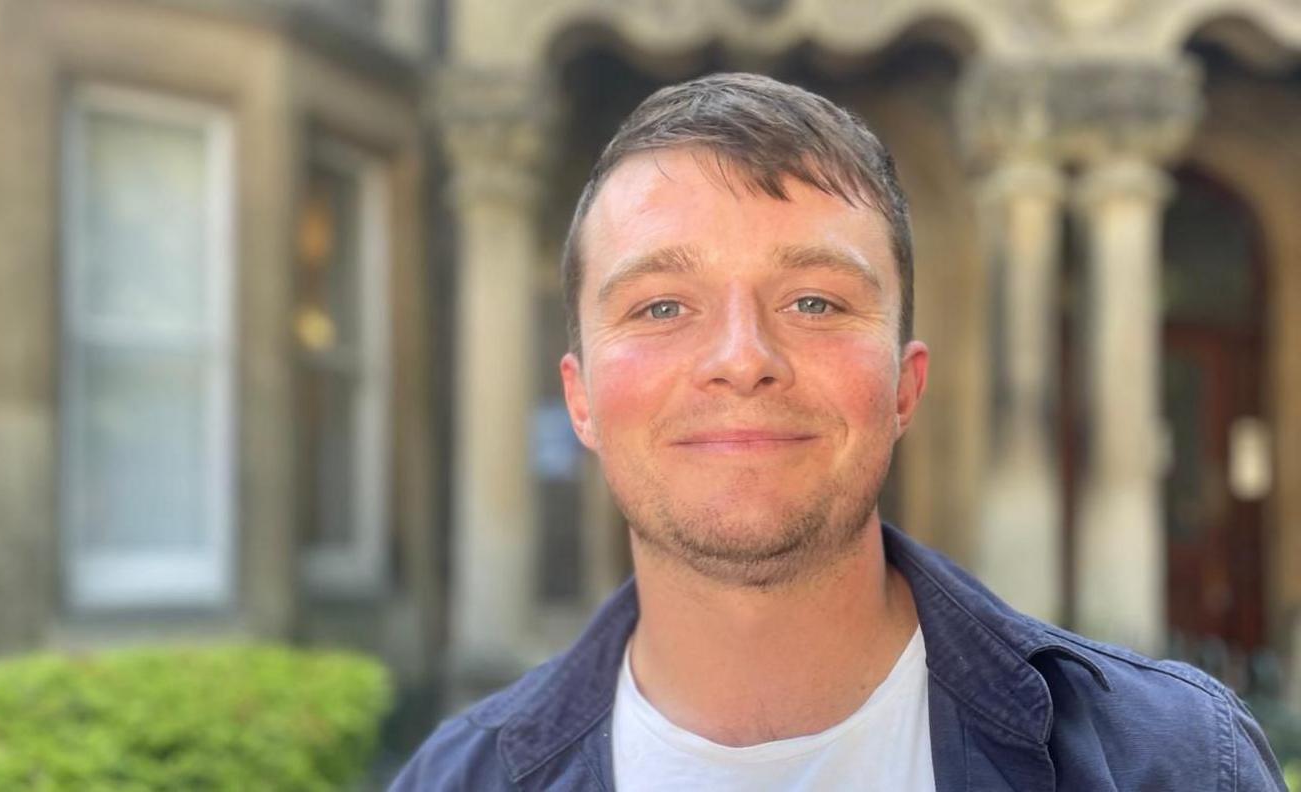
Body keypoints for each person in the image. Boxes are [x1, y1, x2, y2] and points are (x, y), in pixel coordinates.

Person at [391, 72, 1285, 791]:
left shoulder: (1169, 764)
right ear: (580, 399)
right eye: (662, 306)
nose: (742, 359)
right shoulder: (456, 780)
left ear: (905, 384)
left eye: (814, 301)